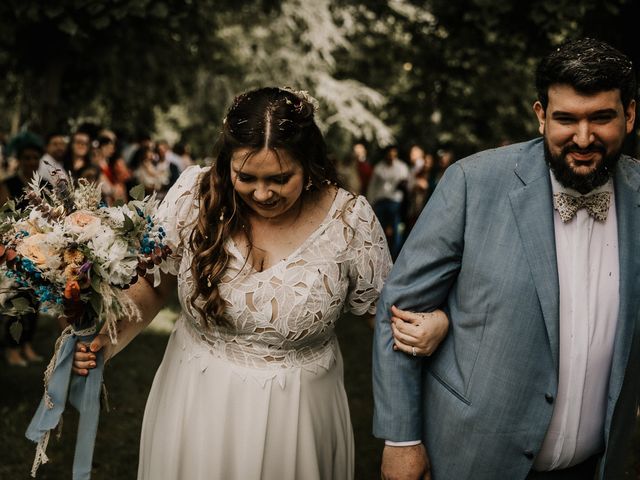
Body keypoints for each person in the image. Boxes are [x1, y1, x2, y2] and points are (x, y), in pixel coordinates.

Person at [72, 87, 448, 479]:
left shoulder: (350, 222)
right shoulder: (195, 196)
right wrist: (107, 338)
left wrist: (436, 324)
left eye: (280, 179)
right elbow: (154, 283)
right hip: (196, 398)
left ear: (309, 163)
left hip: (299, 415)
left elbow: (385, 320)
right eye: (246, 176)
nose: (262, 193)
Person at [373, 38, 640, 479]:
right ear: (540, 116)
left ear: (629, 114)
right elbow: (399, 310)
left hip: (597, 464)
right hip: (473, 457)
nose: (583, 137)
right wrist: (402, 439)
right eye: (566, 119)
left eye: (602, 118)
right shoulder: (472, 183)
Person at [0, 133, 45, 366]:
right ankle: (11, 348)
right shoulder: (8, 184)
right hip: (13, 248)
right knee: (14, 299)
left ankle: (26, 344)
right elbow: (4, 216)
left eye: (34, 157)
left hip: (38, 250)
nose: (30, 161)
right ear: (19, 159)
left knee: (34, 298)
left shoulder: (42, 187)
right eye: (26, 157)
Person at [367, 145, 410, 258]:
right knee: (378, 230)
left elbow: (405, 185)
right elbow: (372, 186)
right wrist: (371, 202)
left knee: (396, 231)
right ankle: (378, 254)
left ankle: (394, 256)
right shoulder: (379, 168)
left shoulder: (401, 167)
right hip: (381, 201)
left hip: (395, 202)